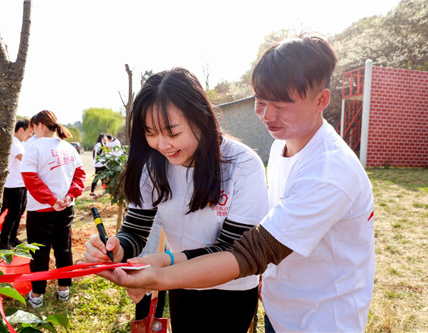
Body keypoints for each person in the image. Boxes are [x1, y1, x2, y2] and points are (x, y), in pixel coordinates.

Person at [96, 34, 376, 332]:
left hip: (324, 317)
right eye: (261, 101)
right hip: (283, 308)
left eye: (281, 106)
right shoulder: (284, 145)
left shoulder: (329, 173)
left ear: (321, 100)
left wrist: (160, 271)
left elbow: (251, 253)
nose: (267, 116)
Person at [84, 67, 269, 332]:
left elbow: (230, 250)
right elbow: (134, 231)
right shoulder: (152, 166)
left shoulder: (242, 165)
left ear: (201, 118)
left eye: (172, 132)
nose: (161, 144)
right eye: (150, 132)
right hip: (180, 283)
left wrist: (165, 265)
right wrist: (116, 248)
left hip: (232, 287)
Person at [20, 110, 86, 308]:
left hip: (41, 209)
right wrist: (69, 195)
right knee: (63, 247)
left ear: (40, 125)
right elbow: (80, 174)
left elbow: (29, 178)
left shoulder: (34, 147)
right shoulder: (68, 148)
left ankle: (37, 293)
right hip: (65, 207)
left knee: (39, 252)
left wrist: (50, 200)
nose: (33, 133)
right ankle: (63, 288)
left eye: (33, 128)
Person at [0, 119, 33, 250]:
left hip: (20, 183)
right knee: (12, 214)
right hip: (12, 185)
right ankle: (4, 242)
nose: (30, 136)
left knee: (19, 212)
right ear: (21, 129)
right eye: (29, 132)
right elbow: (23, 158)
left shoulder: (20, 143)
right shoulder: (13, 142)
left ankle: (12, 238)